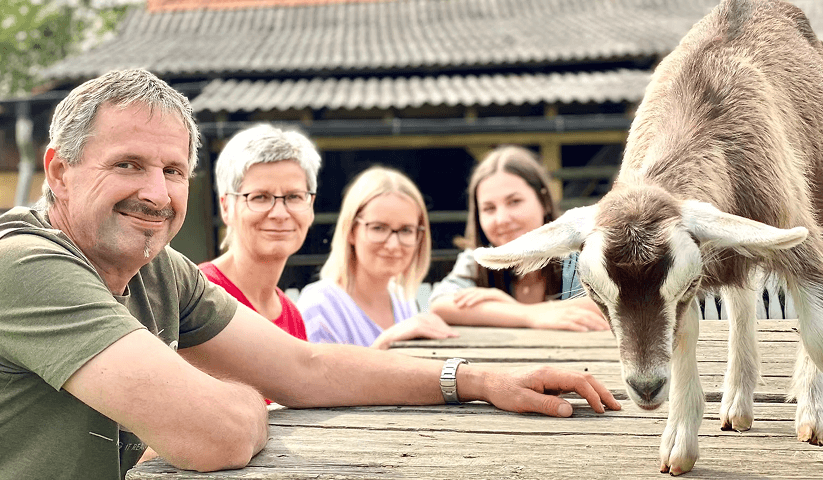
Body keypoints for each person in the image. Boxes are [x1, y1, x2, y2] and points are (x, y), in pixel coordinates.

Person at [0, 69, 620, 480]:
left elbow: (304, 367)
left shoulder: (162, 272)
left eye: (172, 170)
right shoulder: (24, 262)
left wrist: (481, 379)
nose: (157, 194)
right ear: (57, 172)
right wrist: (245, 397)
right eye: (128, 164)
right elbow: (214, 433)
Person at [430, 145, 610, 332]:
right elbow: (441, 303)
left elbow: (606, 305)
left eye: (514, 202)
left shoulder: (578, 254)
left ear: (544, 202)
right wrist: (529, 316)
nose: (502, 219)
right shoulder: (478, 257)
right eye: (489, 208)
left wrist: (512, 310)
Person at [297, 166, 458, 349]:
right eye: (378, 228)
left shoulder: (403, 301)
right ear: (350, 231)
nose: (393, 245)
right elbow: (319, 378)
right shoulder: (319, 306)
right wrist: (386, 343)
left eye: (406, 230)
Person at [198, 124, 320, 341]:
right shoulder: (200, 295)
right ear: (226, 208)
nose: (280, 213)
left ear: (311, 206)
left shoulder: (293, 316)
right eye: (260, 197)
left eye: (294, 197)